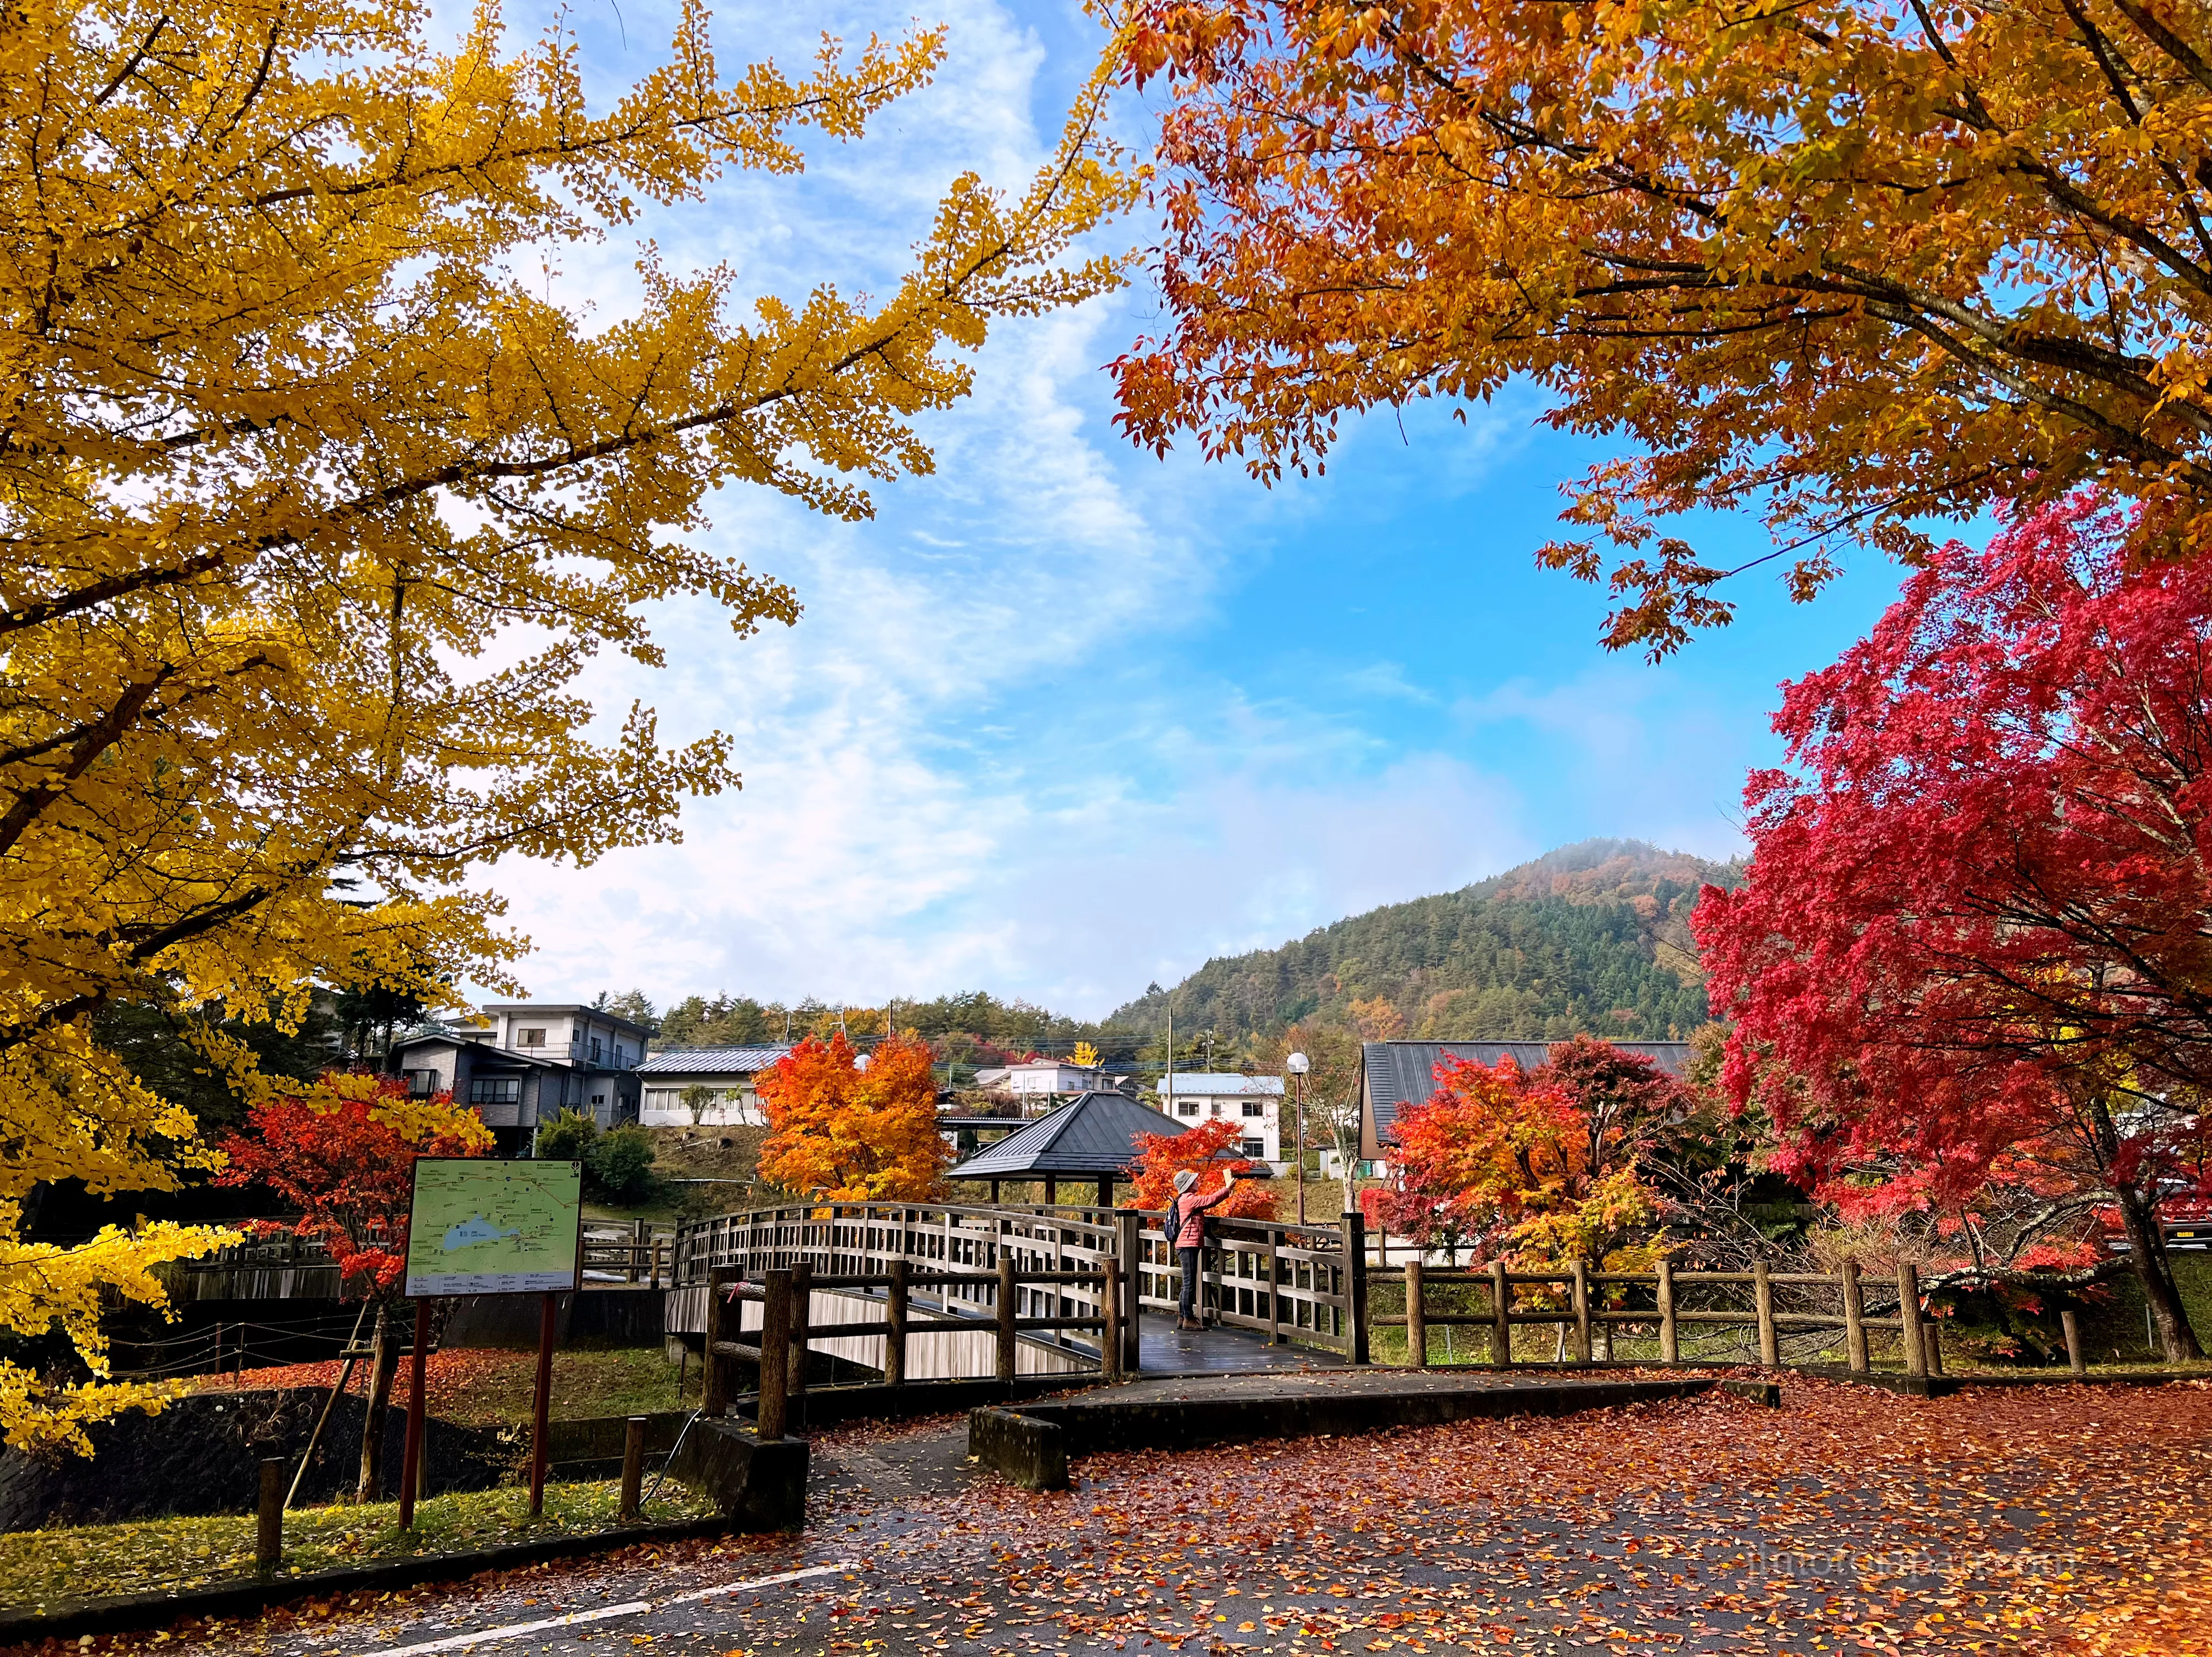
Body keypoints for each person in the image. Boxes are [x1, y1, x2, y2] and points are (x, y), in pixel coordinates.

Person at [1166, 1166, 1238, 1330]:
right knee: (1189, 1283)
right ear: (1188, 1185)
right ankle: (1188, 1318)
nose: (1197, 1182)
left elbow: (1198, 1221)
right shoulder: (1188, 1199)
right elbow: (1210, 1200)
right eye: (1194, 1181)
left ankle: (1183, 1316)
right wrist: (1227, 1189)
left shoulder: (1183, 1200)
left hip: (1185, 1244)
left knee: (1187, 1282)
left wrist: (1211, 1237)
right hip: (1188, 1244)